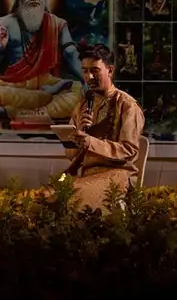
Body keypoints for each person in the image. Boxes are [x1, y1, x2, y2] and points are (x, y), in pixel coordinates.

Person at [62, 44, 145, 210]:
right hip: (82, 174)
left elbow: (129, 150)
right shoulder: (82, 106)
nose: (89, 76)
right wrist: (78, 136)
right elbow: (70, 155)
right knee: (48, 195)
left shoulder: (127, 105)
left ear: (110, 70)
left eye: (95, 70)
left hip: (116, 174)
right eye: (85, 71)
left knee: (77, 195)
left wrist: (90, 142)